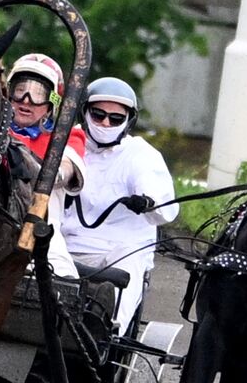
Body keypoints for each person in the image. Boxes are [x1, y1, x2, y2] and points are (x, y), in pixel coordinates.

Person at [62, 76, 178, 335]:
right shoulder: (68, 144)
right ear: (84, 112)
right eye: (98, 114)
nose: (105, 123)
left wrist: (148, 201)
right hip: (64, 246)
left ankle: (106, 330)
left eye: (115, 119)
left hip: (114, 251)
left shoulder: (140, 154)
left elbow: (166, 209)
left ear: (129, 121)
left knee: (130, 257)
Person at [5, 53, 86, 279]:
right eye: (20, 90)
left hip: (42, 227)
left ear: (52, 103)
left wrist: (51, 171)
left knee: (63, 279)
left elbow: (69, 166)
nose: (27, 100)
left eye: (38, 93)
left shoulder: (67, 135)